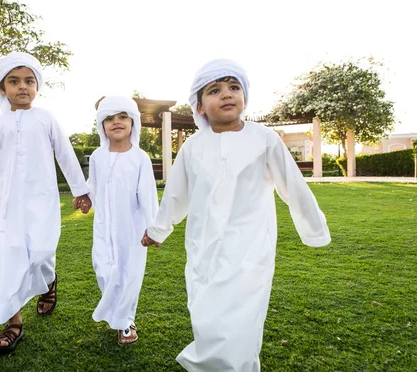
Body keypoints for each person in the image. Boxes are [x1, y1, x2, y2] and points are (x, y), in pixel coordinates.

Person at [141, 59, 331, 371]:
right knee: (207, 312)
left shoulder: (264, 138)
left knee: (243, 316)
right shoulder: (193, 148)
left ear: (244, 97)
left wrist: (313, 229)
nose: (227, 94)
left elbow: (293, 186)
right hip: (204, 247)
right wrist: (159, 229)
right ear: (200, 107)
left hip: (250, 246)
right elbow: (176, 195)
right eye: (215, 90)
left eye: (233, 87)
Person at [0, 51, 91, 354]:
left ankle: (48, 282)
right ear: (2, 88)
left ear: (37, 86)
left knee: (41, 254)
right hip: (10, 206)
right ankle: (13, 324)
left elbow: (65, 153)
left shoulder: (46, 118)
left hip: (44, 201)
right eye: (14, 81)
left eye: (29, 81)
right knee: (10, 262)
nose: (22, 87)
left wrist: (81, 190)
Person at [82, 95, 158, 344]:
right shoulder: (97, 157)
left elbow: (148, 195)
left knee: (128, 272)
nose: (116, 122)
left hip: (131, 228)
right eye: (110, 118)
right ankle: (117, 314)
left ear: (133, 122)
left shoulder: (140, 158)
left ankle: (126, 321)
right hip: (103, 226)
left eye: (123, 117)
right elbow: (92, 187)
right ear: (101, 125)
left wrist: (153, 228)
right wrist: (84, 198)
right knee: (103, 269)